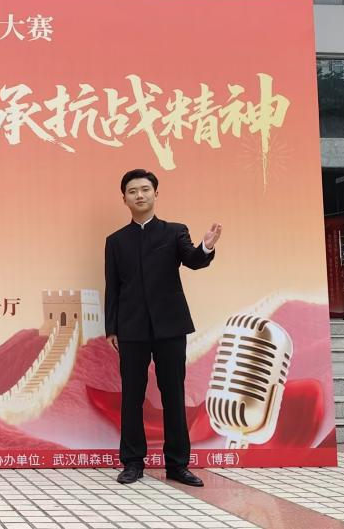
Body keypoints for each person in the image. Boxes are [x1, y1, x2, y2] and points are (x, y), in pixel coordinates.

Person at [104, 169, 221, 487]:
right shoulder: (116, 241)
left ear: (156, 193)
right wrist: (112, 328)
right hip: (131, 329)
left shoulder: (174, 232)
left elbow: (193, 260)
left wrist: (206, 247)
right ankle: (132, 463)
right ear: (124, 199)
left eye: (145, 189)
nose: (139, 195)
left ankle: (178, 465)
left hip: (170, 327)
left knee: (173, 395)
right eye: (132, 191)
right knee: (132, 396)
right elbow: (112, 287)